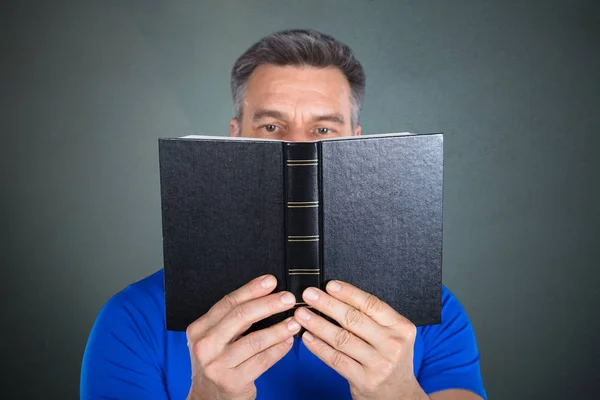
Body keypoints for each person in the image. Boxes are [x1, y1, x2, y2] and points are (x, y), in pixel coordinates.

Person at [81, 29, 487, 400]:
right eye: (272, 127)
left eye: (323, 130)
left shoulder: (435, 316)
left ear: (358, 143)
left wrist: (401, 394)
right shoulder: (131, 319)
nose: (297, 147)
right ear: (235, 137)